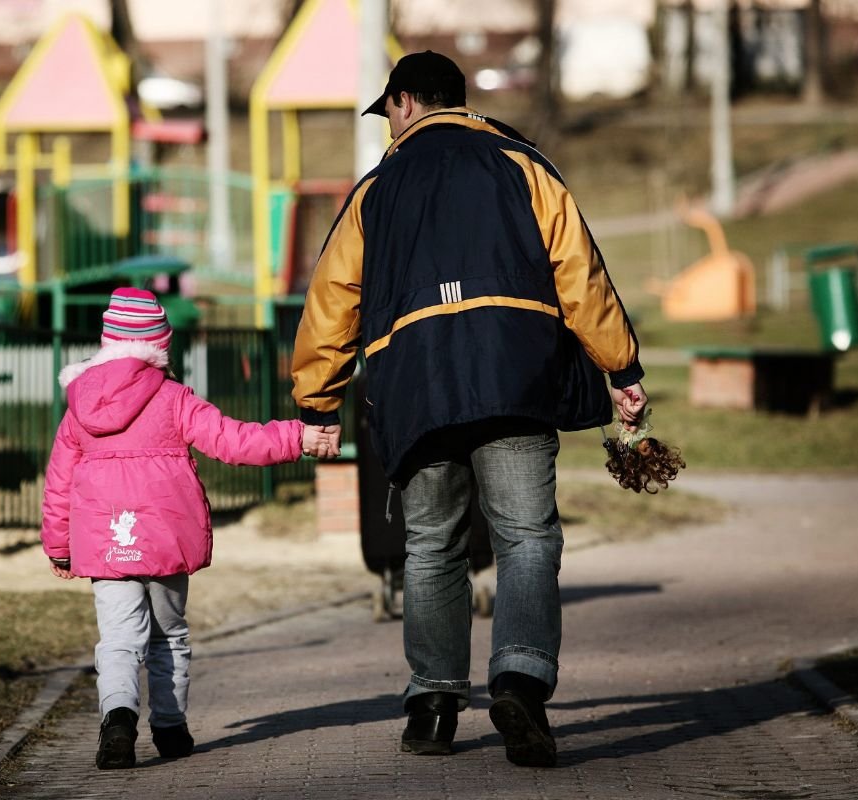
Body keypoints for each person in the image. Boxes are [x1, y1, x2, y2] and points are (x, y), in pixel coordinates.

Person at [290, 51, 648, 767]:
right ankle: (519, 677)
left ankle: (431, 706)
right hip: (513, 373)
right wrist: (621, 365)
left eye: (388, 111)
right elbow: (578, 270)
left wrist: (316, 401)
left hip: (414, 383)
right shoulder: (524, 164)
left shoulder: (378, 188)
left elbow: (333, 300)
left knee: (432, 546)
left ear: (405, 103)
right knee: (527, 537)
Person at [41, 287, 330, 769]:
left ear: (109, 341)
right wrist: (297, 436)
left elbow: (58, 480)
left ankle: (117, 720)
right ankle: (170, 728)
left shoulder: (79, 406)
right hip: (166, 537)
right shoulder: (174, 399)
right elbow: (233, 440)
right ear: (159, 346)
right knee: (168, 634)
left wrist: (59, 546)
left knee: (117, 639)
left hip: (106, 540)